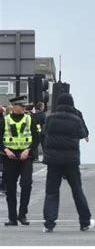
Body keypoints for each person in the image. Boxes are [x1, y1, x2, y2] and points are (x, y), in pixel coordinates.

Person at [42, 93, 94, 232]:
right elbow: (82, 134)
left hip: (53, 160)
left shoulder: (50, 118)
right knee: (77, 190)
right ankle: (84, 221)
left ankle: (49, 222)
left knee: (52, 192)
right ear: (71, 104)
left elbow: (44, 132)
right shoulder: (75, 119)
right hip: (71, 160)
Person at [1, 96, 41, 226]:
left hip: (25, 157)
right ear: (14, 106)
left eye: (25, 106)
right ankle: (12, 218)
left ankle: (22, 214)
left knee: (26, 184)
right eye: (21, 105)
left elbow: (36, 138)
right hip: (9, 158)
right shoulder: (4, 120)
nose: (24, 108)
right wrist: (5, 150)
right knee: (10, 188)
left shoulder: (30, 119)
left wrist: (28, 150)